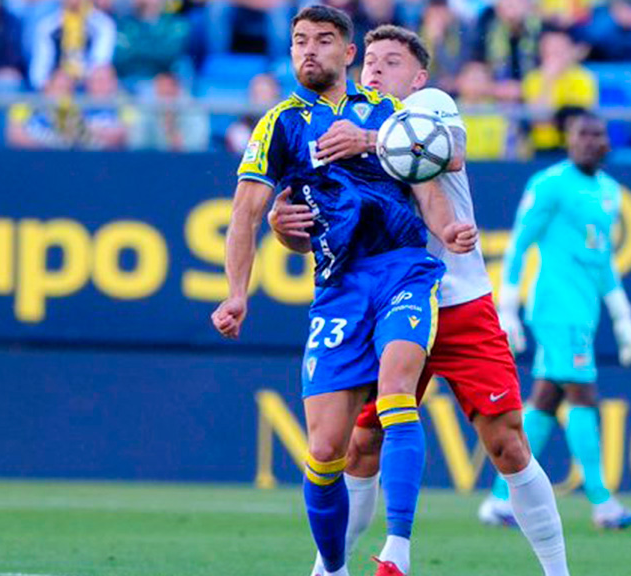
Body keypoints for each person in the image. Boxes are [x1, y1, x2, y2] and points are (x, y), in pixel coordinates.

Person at [269, 24, 572, 576]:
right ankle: (328, 568)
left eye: (392, 62)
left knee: (506, 442)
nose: (377, 70)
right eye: (371, 61)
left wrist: (368, 140)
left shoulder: (428, 106)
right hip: (386, 299)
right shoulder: (340, 123)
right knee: (360, 446)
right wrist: (282, 227)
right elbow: (325, 226)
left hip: (457, 300)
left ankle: (557, 571)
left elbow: (450, 153)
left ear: (419, 77)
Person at [209, 6, 476, 576]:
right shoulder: (279, 124)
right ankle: (332, 568)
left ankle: (398, 549)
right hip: (338, 288)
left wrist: (449, 228)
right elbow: (246, 213)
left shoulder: (388, 112)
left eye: (323, 40)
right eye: (299, 41)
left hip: (402, 270)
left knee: (398, 389)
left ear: (348, 53)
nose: (309, 50)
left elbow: (428, 186)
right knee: (327, 449)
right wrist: (236, 293)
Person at [480, 111, 631, 530]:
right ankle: (603, 502)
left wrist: (622, 315)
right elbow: (520, 244)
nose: (590, 141)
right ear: (568, 140)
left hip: (584, 311)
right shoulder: (549, 184)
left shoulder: (610, 192)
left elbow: (602, 259)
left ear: (607, 142)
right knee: (583, 395)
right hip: (555, 308)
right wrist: (507, 307)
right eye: (581, 134)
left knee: (545, 402)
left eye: (597, 134)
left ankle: (499, 499)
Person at [521, 26, 597, 151]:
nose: (555, 55)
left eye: (559, 49)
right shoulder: (533, 79)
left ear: (569, 50)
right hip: (541, 148)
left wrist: (553, 119)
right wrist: (548, 82)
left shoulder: (583, 78)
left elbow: (577, 120)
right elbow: (538, 119)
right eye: (550, 49)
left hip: (574, 148)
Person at [29, 0, 116, 89]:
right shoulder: (47, 27)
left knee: (101, 76)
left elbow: (100, 61)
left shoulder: (102, 25)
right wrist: (54, 80)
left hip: (89, 84)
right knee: (60, 82)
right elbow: (39, 73)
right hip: (58, 85)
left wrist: (79, 77)